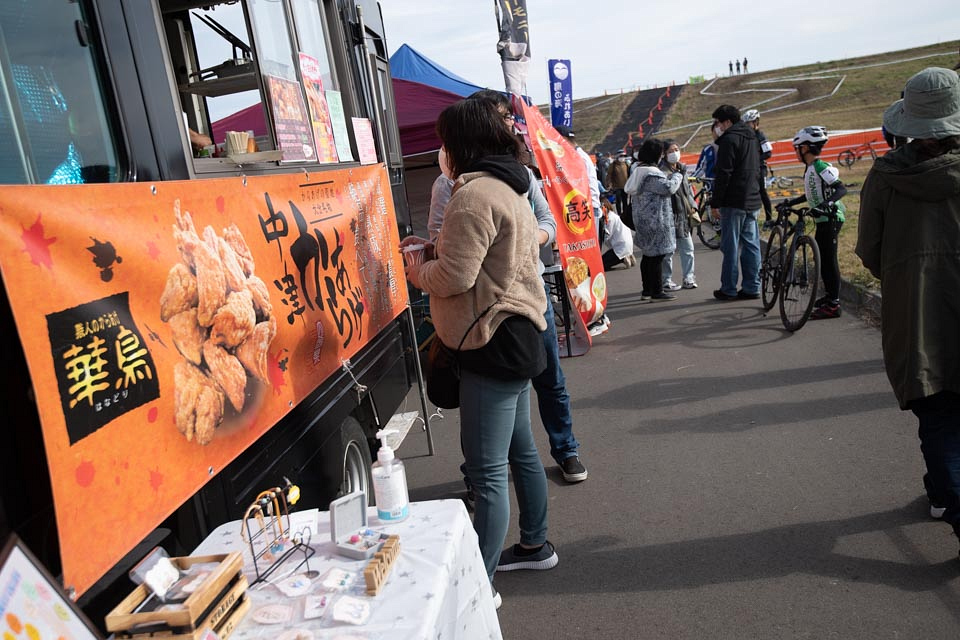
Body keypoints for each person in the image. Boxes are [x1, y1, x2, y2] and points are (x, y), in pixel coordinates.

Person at [402, 99, 558, 607]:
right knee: (521, 453)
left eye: (444, 144)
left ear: (459, 146)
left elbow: (455, 277)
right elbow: (480, 260)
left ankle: (480, 582)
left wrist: (414, 269)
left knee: (488, 474)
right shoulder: (510, 184)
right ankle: (534, 545)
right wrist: (432, 248)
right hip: (516, 337)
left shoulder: (472, 196)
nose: (440, 154)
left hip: (491, 344)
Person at [430, 90, 590, 486]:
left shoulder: (519, 177)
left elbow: (547, 222)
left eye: (507, 117)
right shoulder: (448, 185)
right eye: (501, 118)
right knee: (484, 403)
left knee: (547, 380)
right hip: (481, 309)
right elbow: (443, 237)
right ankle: (482, 473)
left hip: (527, 297)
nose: (508, 125)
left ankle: (564, 450)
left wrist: (522, 239)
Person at [855, 66, 960, 551]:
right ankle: (945, 494)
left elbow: (871, 252)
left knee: (937, 414)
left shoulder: (885, 175)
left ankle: (948, 498)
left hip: (916, 313)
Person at [781, 126, 848, 319]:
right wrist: (790, 202)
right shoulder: (810, 169)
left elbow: (840, 189)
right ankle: (829, 296)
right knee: (824, 261)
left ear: (806, 148)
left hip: (831, 218)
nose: (796, 152)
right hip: (822, 219)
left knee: (828, 261)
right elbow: (810, 194)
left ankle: (834, 304)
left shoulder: (820, 166)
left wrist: (826, 204)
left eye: (797, 148)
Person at [709, 104, 762, 301]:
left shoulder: (729, 140)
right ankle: (752, 286)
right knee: (751, 245)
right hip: (752, 198)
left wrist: (716, 202)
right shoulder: (752, 136)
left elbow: (724, 174)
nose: (718, 127)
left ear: (728, 122)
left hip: (733, 200)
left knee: (730, 246)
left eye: (719, 123)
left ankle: (729, 288)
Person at [624, 137, 681, 301]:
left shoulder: (638, 170)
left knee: (649, 256)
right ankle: (657, 291)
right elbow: (668, 188)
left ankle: (647, 290)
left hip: (643, 220)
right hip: (655, 220)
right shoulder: (651, 174)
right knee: (656, 256)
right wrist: (677, 176)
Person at [659, 140, 698, 290]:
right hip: (668, 215)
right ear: (664, 154)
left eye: (676, 149)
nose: (675, 153)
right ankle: (666, 280)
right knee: (668, 250)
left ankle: (689, 277)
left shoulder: (682, 168)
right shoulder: (662, 171)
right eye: (670, 151)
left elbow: (687, 190)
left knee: (687, 248)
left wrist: (693, 206)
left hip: (683, 214)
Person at [742, 109, 774, 223]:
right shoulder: (747, 136)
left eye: (748, 123)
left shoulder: (760, 135)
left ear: (755, 122)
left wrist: (755, 160)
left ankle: (769, 219)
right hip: (751, 169)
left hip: (760, 168)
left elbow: (768, 152)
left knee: (762, 192)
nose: (746, 126)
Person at [599, 199, 636, 270]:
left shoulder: (609, 218)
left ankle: (623, 258)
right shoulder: (613, 215)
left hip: (620, 247)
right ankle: (627, 255)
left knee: (600, 265)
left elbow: (607, 235)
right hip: (625, 245)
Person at [606, 152, 632, 227]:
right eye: (621, 156)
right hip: (617, 187)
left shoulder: (626, 164)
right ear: (617, 156)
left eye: (623, 156)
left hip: (625, 186)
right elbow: (609, 175)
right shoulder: (613, 165)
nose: (622, 157)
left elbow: (629, 174)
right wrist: (609, 183)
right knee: (618, 201)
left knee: (625, 201)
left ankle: (625, 214)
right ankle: (619, 215)